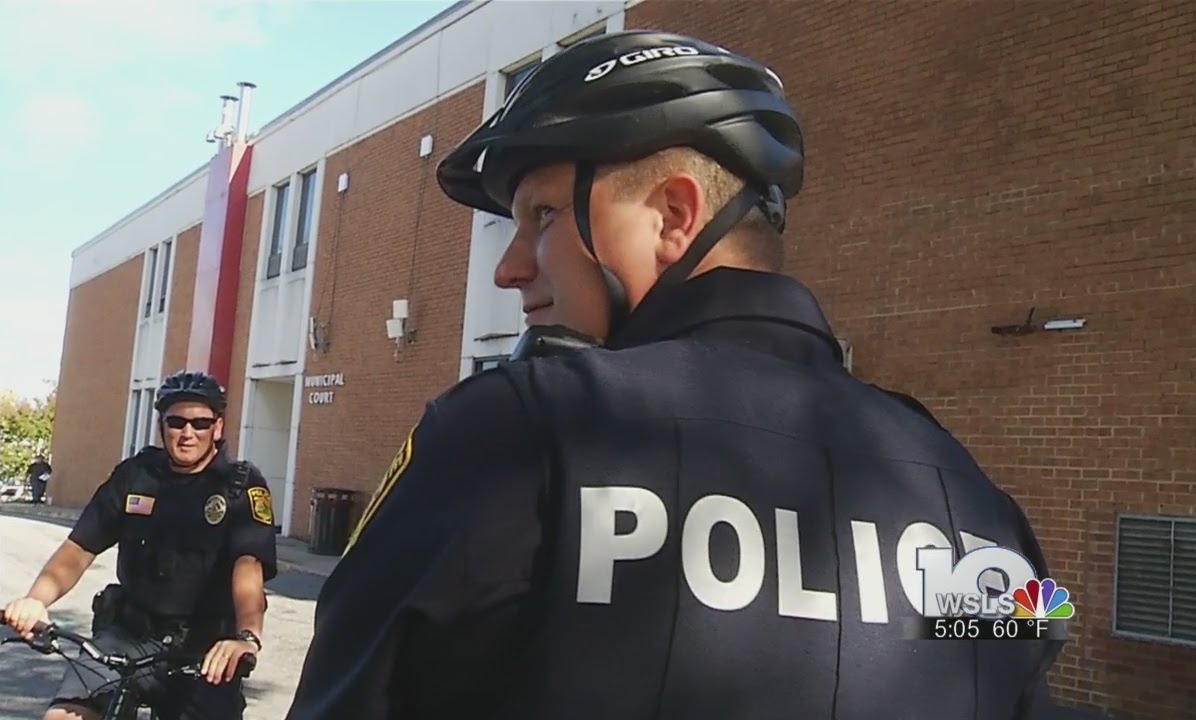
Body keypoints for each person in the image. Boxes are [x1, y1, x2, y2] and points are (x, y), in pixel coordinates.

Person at [285, 29, 1091, 720]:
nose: (511, 268)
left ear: (673, 216)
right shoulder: (974, 497)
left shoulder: (512, 434)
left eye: (543, 216)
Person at [3, 370, 278, 720]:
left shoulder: (239, 487)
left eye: (201, 423)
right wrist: (34, 600)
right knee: (64, 717)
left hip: (204, 650)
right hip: (127, 637)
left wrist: (247, 638)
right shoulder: (135, 476)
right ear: (161, 426)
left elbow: (248, 568)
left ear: (218, 428)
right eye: (177, 422)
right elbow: (78, 549)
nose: (188, 433)